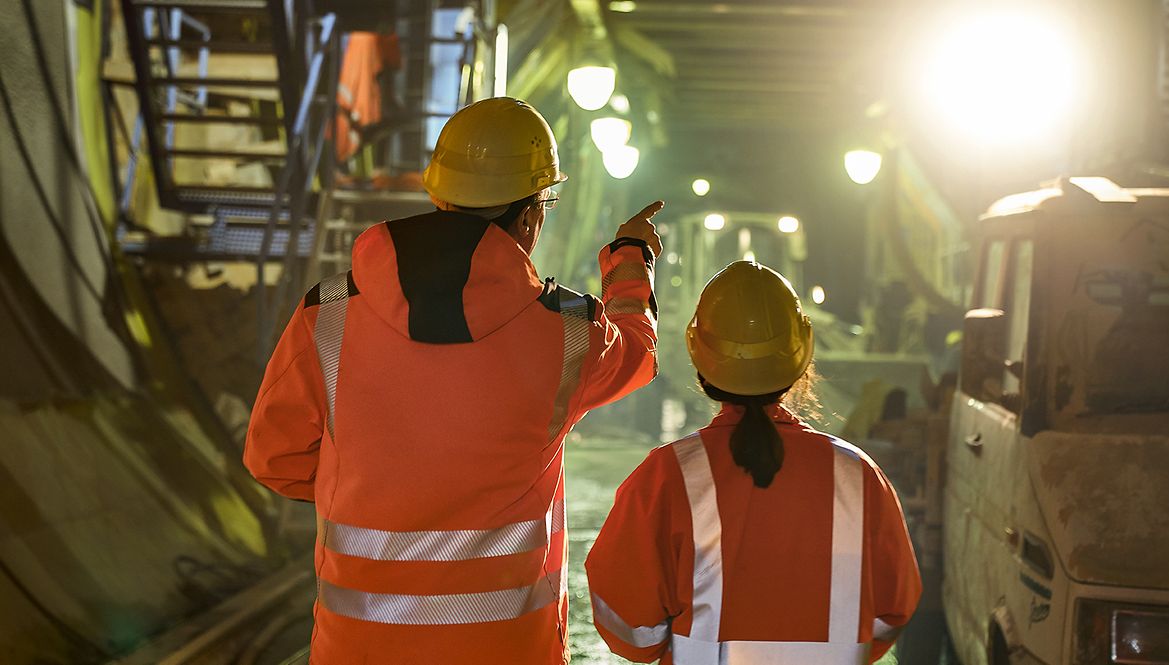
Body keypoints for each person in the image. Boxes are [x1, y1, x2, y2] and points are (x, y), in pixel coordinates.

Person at [244, 97, 664, 664]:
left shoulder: (330, 317)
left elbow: (275, 458)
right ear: (530, 216)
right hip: (510, 650)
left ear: (439, 196)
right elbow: (638, 352)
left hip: (358, 650)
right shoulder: (568, 335)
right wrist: (630, 261)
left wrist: (373, 482)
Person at [585, 261, 921, 664]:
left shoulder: (668, 474)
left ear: (700, 359)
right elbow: (892, 609)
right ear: (801, 358)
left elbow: (630, 627)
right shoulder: (858, 474)